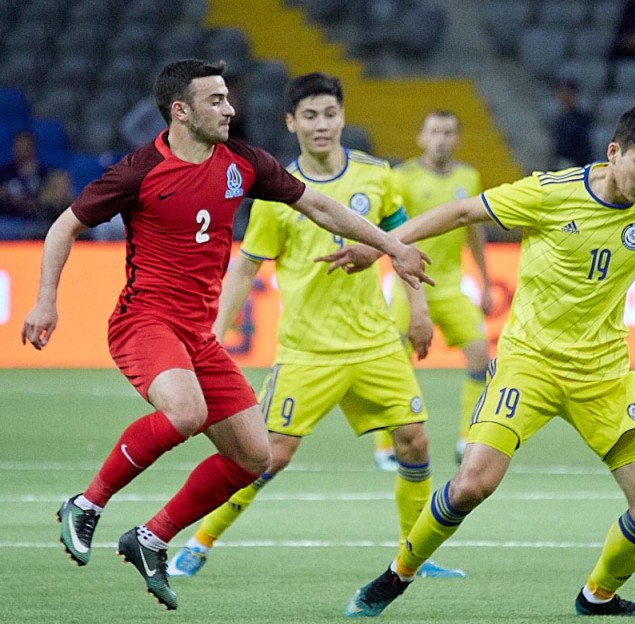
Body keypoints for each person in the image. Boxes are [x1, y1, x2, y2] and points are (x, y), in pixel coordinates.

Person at [329, 103, 635, 618]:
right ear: (613, 153)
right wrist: (383, 247)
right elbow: (462, 213)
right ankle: (396, 576)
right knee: (471, 485)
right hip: (530, 364)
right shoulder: (550, 192)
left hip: (604, 375)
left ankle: (598, 596)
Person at [20, 59, 430, 611]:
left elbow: (320, 206)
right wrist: (47, 300)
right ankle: (87, 504)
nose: (230, 108)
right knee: (185, 414)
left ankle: (151, 538)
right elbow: (64, 225)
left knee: (254, 456)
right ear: (181, 111)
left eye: (228, 98)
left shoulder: (245, 162)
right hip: (145, 321)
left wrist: (393, 247)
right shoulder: (139, 170)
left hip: (197, 336)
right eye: (215, 100)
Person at [165, 73, 463, 580]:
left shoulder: (377, 176)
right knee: (266, 457)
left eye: (329, 114)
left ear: (342, 117)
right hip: (307, 351)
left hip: (373, 345)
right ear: (291, 122)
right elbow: (246, 267)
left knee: (415, 441)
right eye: (309, 115)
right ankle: (200, 541)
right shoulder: (275, 190)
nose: (321, 124)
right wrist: (211, 335)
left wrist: (418, 309)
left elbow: (403, 245)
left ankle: (415, 553)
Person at [375, 110, 493, 467]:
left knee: (479, 354)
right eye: (434, 131)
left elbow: (475, 232)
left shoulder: (469, 177)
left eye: (448, 131)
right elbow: (387, 230)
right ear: (421, 138)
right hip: (409, 285)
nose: (441, 138)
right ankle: (386, 446)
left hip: (451, 285)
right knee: (392, 361)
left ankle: (468, 440)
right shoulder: (402, 178)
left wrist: (486, 283)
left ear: (457, 139)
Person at [0, 130, 71, 221]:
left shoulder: (45, 173)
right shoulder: (4, 171)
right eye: (18, 145)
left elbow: (50, 198)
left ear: (32, 147)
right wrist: (5, 195)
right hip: (6, 220)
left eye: (25, 145)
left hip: (37, 220)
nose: (21, 148)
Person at [549, 78, 594, 170]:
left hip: (577, 166)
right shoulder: (559, 119)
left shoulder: (581, 119)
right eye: (561, 93)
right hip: (561, 164)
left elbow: (584, 148)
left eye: (566, 92)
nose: (563, 96)